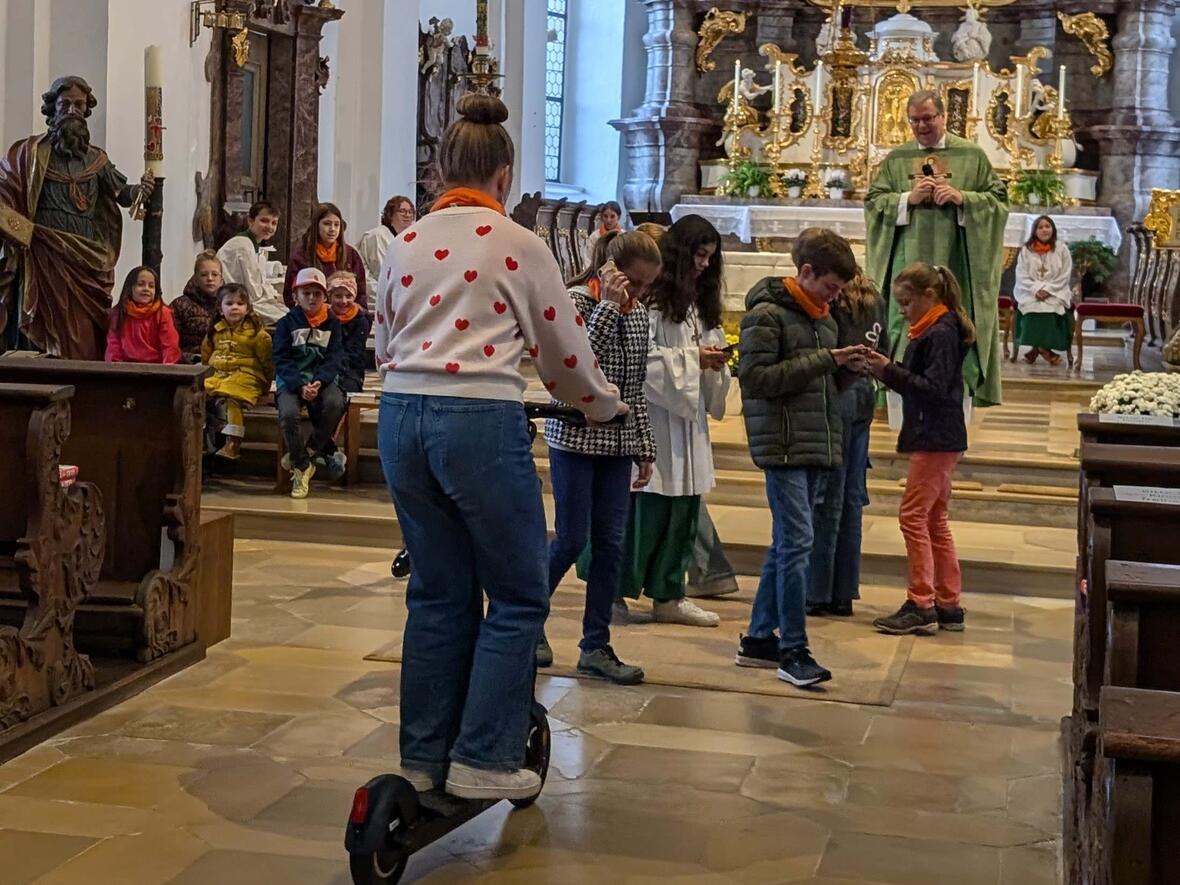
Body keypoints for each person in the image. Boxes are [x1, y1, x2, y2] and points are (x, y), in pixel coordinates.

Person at [373, 92, 624, 800]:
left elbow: (385, 338)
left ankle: (423, 756)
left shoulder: (408, 241)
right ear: (504, 177)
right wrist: (603, 408)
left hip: (400, 418)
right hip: (477, 420)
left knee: (437, 593)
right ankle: (484, 755)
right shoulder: (518, 242)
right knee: (516, 593)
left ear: (439, 170)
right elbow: (563, 353)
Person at [734, 229, 867, 687]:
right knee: (798, 544)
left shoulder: (824, 320)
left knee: (787, 543)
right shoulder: (767, 315)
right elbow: (754, 378)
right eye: (830, 286)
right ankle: (793, 649)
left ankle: (757, 639)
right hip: (784, 444)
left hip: (814, 443)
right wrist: (826, 360)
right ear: (805, 272)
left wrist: (847, 370)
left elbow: (820, 387)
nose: (834, 296)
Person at [538, 230, 660, 685]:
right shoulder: (577, 301)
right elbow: (577, 362)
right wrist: (609, 305)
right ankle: (528, 623)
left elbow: (635, 386)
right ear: (610, 270)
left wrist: (644, 447)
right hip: (574, 438)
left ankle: (596, 645)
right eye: (634, 281)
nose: (640, 293)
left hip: (618, 442)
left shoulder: (640, 312)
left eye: (647, 285)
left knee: (611, 544)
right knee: (570, 539)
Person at [616, 213, 729, 628]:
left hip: (688, 421)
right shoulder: (650, 301)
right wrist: (691, 359)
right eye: (698, 255)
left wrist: (715, 363)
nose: (703, 264)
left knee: (684, 509)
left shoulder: (699, 306)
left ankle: (669, 594)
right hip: (654, 421)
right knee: (644, 512)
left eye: (710, 258)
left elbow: (703, 352)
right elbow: (637, 360)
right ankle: (614, 594)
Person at [864, 90, 1008, 406]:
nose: (921, 126)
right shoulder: (897, 158)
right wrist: (906, 199)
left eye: (928, 118)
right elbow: (873, 202)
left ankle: (957, 389)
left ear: (943, 117)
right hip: (908, 260)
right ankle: (898, 390)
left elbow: (999, 202)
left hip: (955, 260)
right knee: (904, 319)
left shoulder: (972, 156)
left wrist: (962, 199)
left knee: (951, 319)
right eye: (914, 120)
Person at [0, 75, 155, 360]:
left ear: (86, 111)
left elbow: (123, 195)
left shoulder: (97, 160)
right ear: (52, 109)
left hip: (86, 259)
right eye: (65, 104)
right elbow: (6, 194)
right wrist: (19, 229)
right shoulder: (31, 155)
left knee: (84, 332)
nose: (72, 110)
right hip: (43, 256)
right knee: (42, 328)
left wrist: (141, 190)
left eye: (79, 105)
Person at [864, 262, 971, 635]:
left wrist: (887, 370)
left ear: (930, 296)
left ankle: (921, 603)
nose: (901, 310)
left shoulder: (940, 332)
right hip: (941, 435)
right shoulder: (935, 327)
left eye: (907, 303)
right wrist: (888, 370)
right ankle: (948, 602)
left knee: (912, 517)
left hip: (936, 436)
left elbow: (933, 389)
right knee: (933, 519)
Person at [808, 268, 885, 617]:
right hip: (865, 394)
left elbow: (827, 351)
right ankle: (843, 592)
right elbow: (882, 346)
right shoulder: (875, 300)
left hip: (838, 394)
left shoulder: (834, 302)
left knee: (829, 498)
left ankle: (818, 591)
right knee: (852, 498)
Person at [272, 267, 346, 499]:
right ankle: (303, 465)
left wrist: (318, 382)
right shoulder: (286, 323)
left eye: (317, 293)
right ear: (296, 296)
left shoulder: (333, 324)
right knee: (288, 414)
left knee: (335, 403)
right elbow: (281, 359)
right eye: (306, 293)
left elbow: (335, 358)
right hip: (292, 380)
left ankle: (310, 449)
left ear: (325, 296)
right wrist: (299, 385)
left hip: (321, 380)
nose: (312, 298)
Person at [202, 283, 274, 460]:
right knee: (198, 395)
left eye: (240, 304)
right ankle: (203, 441)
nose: (235, 307)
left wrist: (266, 387)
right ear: (220, 309)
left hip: (246, 377)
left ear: (248, 308)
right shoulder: (215, 332)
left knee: (230, 397)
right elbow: (206, 355)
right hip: (218, 375)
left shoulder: (258, 334)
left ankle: (233, 443)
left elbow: (268, 363)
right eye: (229, 303)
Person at [283, 202, 367, 311]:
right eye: (327, 223)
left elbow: (361, 293)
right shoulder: (301, 256)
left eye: (336, 224)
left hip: (346, 314)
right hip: (312, 316)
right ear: (316, 225)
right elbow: (290, 295)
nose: (332, 229)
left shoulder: (351, 254)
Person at [1013, 215, 1073, 366]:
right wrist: (1035, 290)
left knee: (1052, 307)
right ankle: (1044, 350)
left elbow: (1065, 274)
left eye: (1047, 226)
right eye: (1040, 227)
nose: (1044, 230)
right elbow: (1021, 275)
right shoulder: (1026, 250)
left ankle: (1036, 349)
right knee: (1031, 307)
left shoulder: (1062, 249)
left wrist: (1048, 290)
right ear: (1034, 231)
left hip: (1055, 290)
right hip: (1030, 291)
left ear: (1053, 229)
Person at [217, 200, 288, 324]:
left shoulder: (252, 244)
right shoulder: (243, 245)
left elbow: (259, 282)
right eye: (264, 221)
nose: (269, 227)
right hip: (235, 300)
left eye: (274, 223)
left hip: (247, 297)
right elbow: (253, 291)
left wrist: (274, 296)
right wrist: (273, 298)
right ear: (250, 221)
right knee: (286, 317)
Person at [105, 266, 180, 365]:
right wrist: (115, 367)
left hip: (157, 369)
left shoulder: (163, 313)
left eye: (151, 286)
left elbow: (170, 346)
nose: (146, 289)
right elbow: (113, 344)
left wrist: (168, 370)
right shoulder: (119, 313)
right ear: (129, 288)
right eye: (140, 284)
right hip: (125, 369)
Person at [357, 196, 415, 294]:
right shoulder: (378, 235)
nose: (407, 215)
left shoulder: (403, 239)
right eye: (402, 211)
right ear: (390, 214)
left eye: (410, 212)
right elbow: (382, 272)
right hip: (374, 294)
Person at [172, 251, 223, 362]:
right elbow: (171, 345)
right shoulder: (180, 305)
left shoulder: (228, 305)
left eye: (215, 274)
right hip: (191, 364)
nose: (210, 278)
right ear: (195, 278)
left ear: (221, 279)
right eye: (204, 274)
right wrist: (192, 359)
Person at [327, 270, 371, 395]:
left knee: (346, 388)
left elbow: (355, 353)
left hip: (349, 369)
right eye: (338, 296)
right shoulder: (323, 317)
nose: (343, 301)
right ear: (330, 296)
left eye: (348, 296)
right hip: (323, 368)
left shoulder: (361, 320)